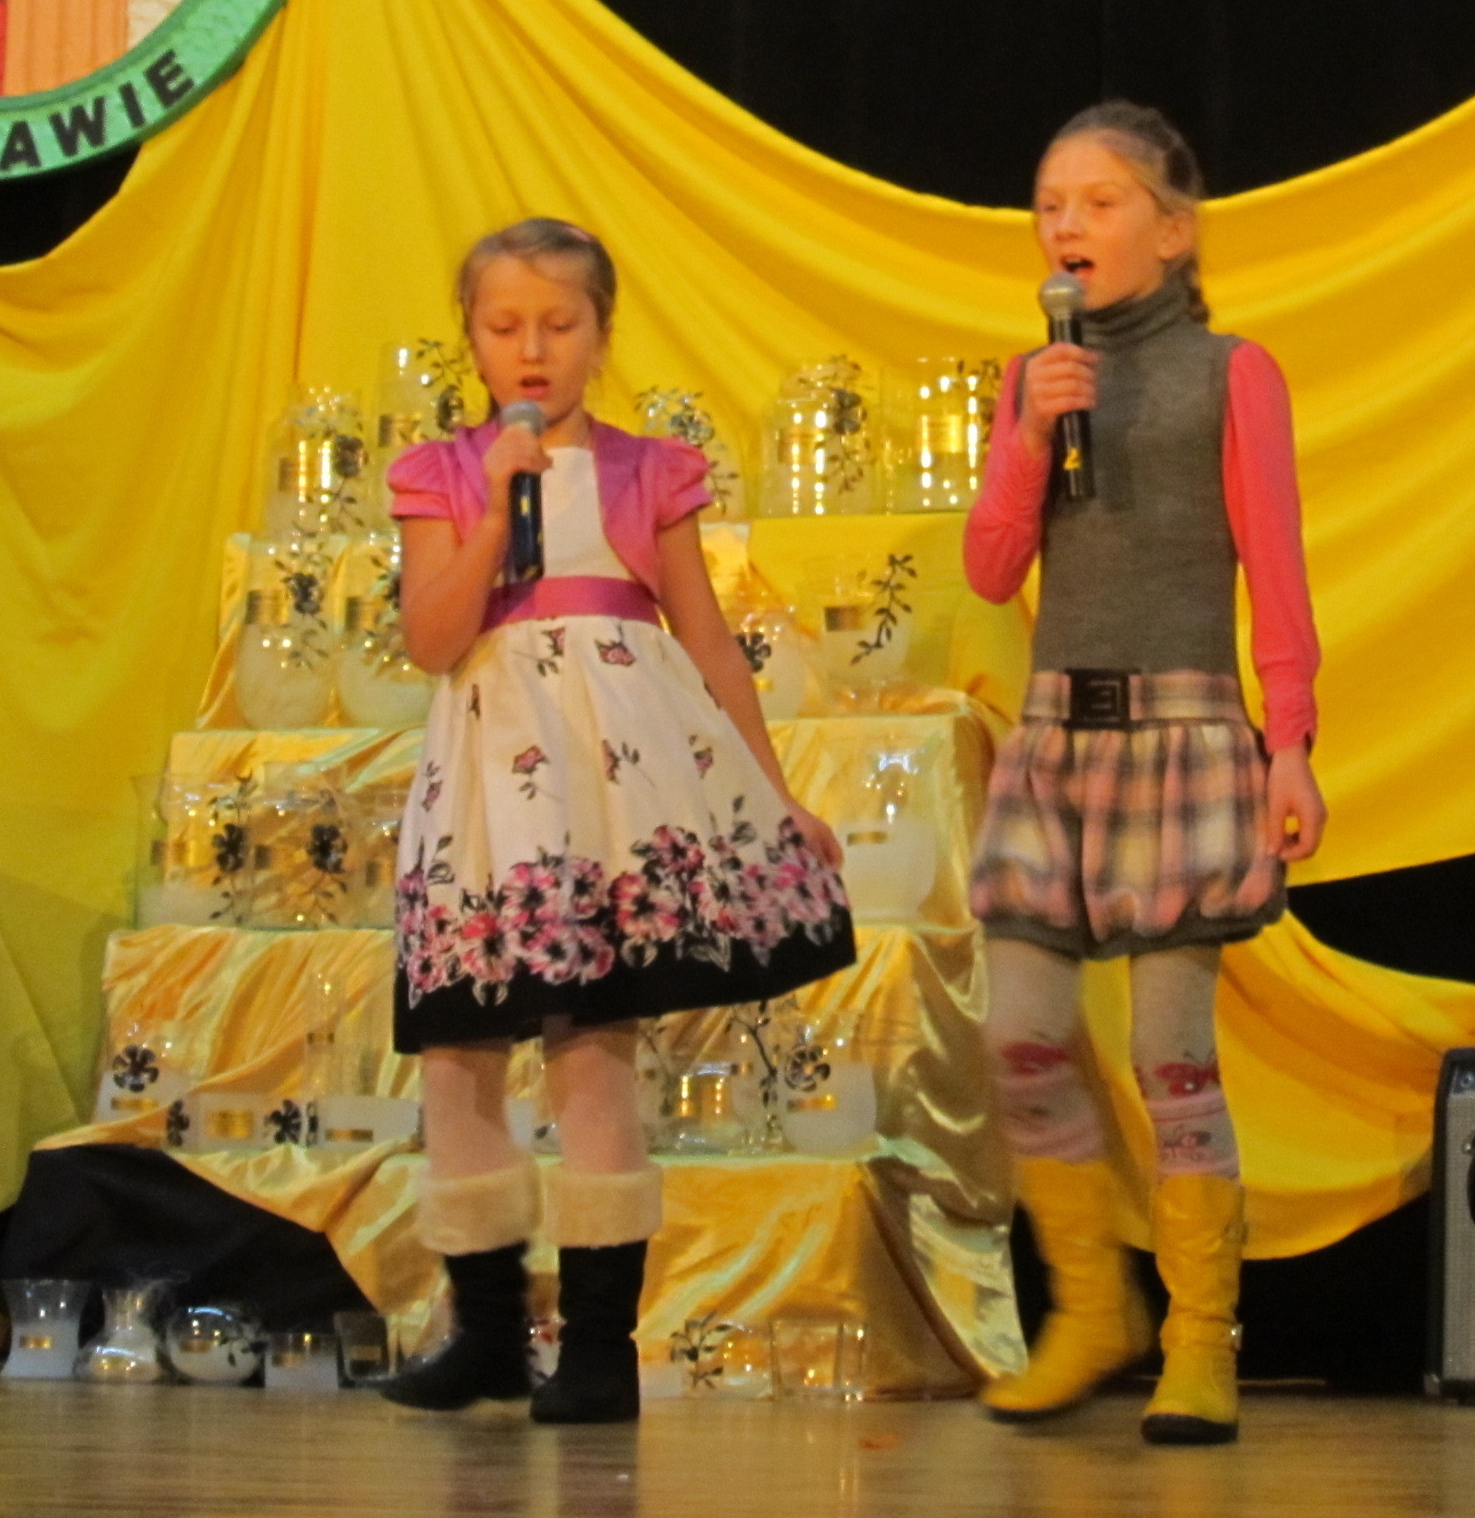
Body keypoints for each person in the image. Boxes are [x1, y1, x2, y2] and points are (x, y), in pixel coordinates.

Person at [379, 218, 853, 1425]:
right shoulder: (440, 473)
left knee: (592, 1049)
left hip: (606, 791)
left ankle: (598, 1346)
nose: (532, 349)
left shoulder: (650, 474)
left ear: (600, 332)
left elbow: (709, 644)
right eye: (504, 326)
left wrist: (775, 793)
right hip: (488, 794)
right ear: (471, 338)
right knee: (458, 1055)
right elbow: (431, 638)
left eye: (559, 323)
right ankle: (487, 1334)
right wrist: (496, 516)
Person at [964, 101, 1327, 1446]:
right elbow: (991, 568)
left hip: (1183, 735)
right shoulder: (1033, 377)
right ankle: (1087, 1309)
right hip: (1057, 739)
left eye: (1099, 200)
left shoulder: (1232, 374)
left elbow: (1274, 568)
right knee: (1017, 1032)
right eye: (1050, 204)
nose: (1066, 224)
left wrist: (1290, 743)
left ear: (1173, 232)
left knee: (1170, 1053)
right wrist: (1026, 435)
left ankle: (1199, 1339)